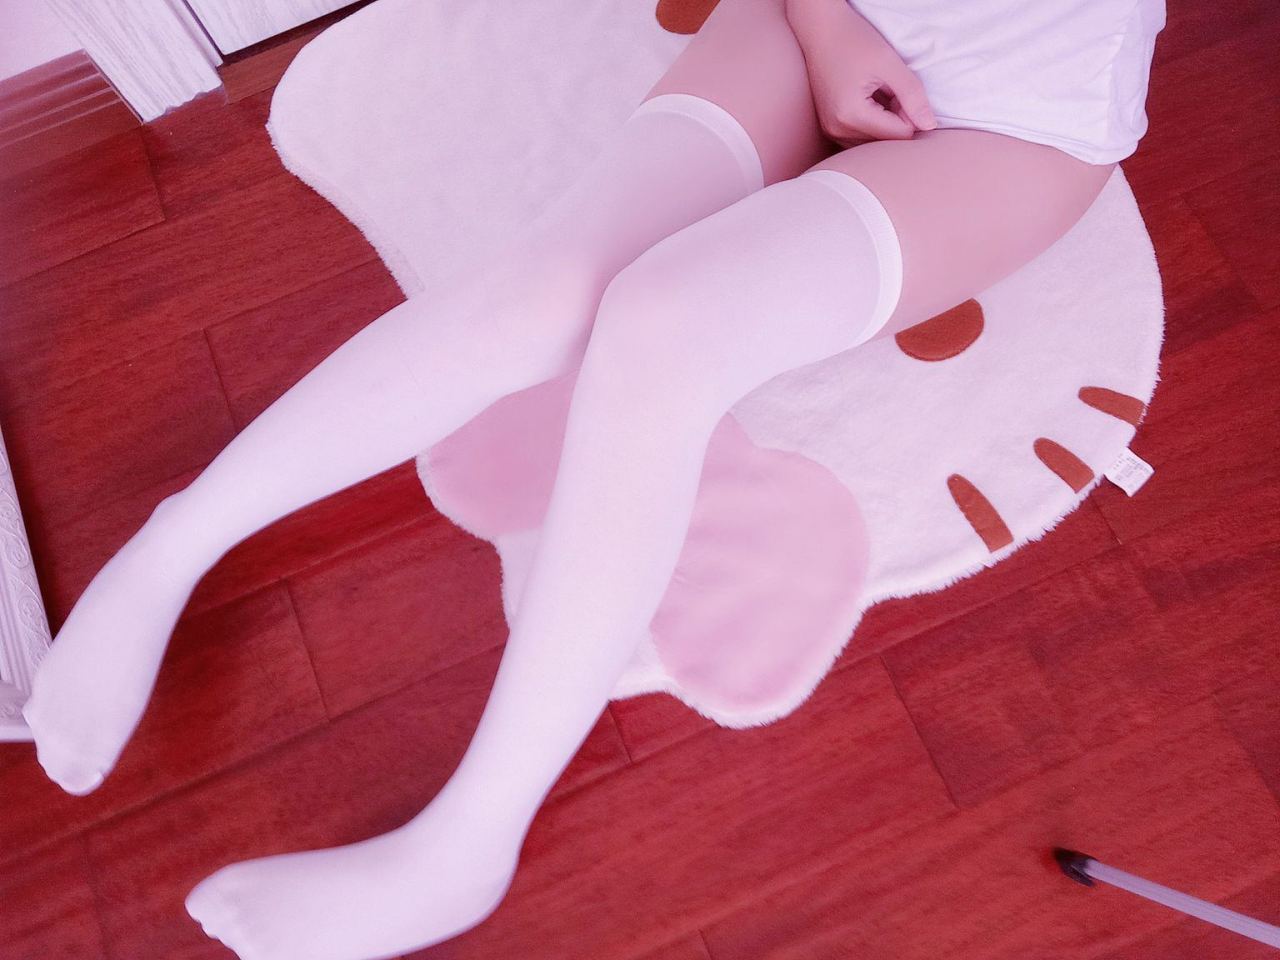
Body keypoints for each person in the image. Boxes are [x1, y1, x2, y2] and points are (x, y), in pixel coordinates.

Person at [21, 0, 1163, 956]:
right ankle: (171, 545)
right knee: (546, 293)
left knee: (666, 330)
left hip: (1018, 106)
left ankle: (468, 840)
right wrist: (825, 26)